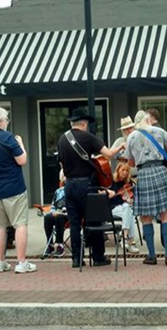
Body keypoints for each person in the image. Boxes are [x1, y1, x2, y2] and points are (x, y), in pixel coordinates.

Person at [57, 107, 125, 268]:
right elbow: (108, 154)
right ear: (84, 123)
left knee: (74, 223)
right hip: (86, 185)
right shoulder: (88, 137)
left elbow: (61, 163)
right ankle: (98, 257)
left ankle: (76, 259)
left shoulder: (62, 139)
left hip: (69, 185)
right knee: (94, 219)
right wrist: (121, 147)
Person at [0, 107, 36, 274]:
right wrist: (21, 144)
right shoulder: (8, 138)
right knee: (20, 224)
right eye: (7, 120)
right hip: (14, 188)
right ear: (0, 121)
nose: (7, 123)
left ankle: (0, 261)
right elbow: (22, 160)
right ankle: (21, 262)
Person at [123, 110, 167, 266]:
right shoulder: (159, 131)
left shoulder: (131, 137)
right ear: (148, 120)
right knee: (165, 215)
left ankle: (151, 256)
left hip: (143, 174)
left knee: (145, 217)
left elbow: (131, 163)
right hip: (161, 172)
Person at [105, 162, 140, 253]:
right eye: (122, 170)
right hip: (113, 208)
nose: (124, 172)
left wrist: (130, 200)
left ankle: (124, 236)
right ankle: (131, 241)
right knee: (129, 212)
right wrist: (110, 194)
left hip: (125, 208)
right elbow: (105, 196)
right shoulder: (111, 182)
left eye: (127, 171)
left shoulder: (129, 183)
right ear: (118, 170)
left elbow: (134, 197)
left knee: (128, 208)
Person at [43, 172, 68, 258]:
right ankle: (50, 245)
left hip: (68, 214)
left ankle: (60, 245)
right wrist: (53, 211)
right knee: (48, 217)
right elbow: (53, 205)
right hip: (57, 212)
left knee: (59, 217)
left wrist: (61, 213)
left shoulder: (73, 190)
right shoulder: (58, 191)